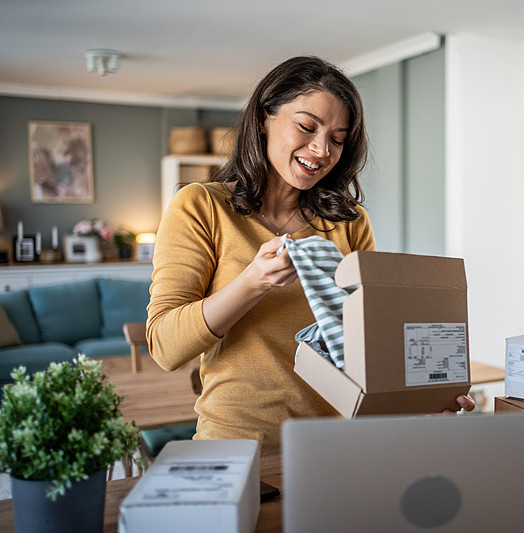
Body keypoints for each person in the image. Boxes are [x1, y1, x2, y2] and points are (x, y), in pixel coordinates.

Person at [146, 56, 474, 454]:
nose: (321, 149)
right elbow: (165, 347)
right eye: (307, 126)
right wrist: (253, 281)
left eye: (338, 138)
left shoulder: (348, 222)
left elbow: (369, 343)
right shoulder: (201, 206)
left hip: (338, 445)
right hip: (239, 444)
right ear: (264, 117)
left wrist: (417, 398)